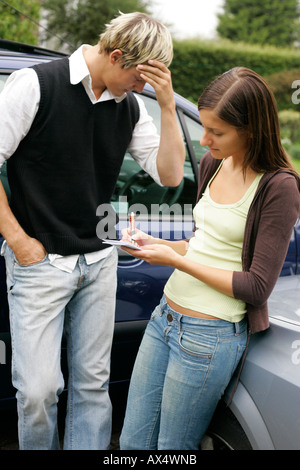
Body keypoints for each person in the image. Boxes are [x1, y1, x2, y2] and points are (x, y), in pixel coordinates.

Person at [0, 12, 185, 450]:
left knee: (91, 388)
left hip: (100, 261)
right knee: (38, 392)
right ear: (117, 56)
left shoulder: (132, 107)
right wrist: (19, 242)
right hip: (39, 262)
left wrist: (167, 104)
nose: (140, 88)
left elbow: (171, 175)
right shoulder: (34, 85)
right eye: (139, 79)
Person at [119, 67, 300, 450]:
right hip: (163, 319)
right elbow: (204, 243)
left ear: (250, 129)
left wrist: (175, 260)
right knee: (133, 443)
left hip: (208, 337)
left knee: (173, 449)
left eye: (216, 132)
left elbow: (255, 286)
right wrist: (152, 243)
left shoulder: (279, 186)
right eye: (204, 128)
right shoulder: (212, 164)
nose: (204, 141)